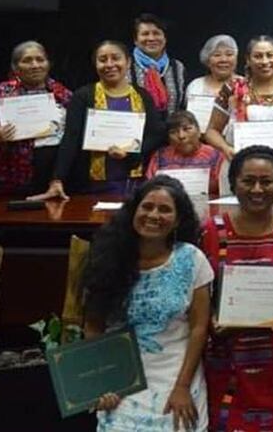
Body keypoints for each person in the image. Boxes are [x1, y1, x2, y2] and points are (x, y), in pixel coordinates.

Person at [201, 146, 273, 432]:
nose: (257, 189)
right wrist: (210, 321)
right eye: (248, 181)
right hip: (226, 363)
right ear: (233, 184)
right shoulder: (209, 232)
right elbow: (195, 297)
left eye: (266, 181)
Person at [84, 176, 211, 432]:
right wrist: (103, 381)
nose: (153, 215)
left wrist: (182, 386)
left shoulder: (191, 259)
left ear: (178, 220)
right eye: (147, 206)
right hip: (121, 383)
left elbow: (199, 328)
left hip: (177, 381)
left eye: (164, 209)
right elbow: (93, 326)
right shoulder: (107, 259)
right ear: (134, 211)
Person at [33, 40, 164, 200]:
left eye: (115, 58)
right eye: (102, 60)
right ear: (95, 64)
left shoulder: (142, 96)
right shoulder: (83, 96)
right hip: (90, 186)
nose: (109, 64)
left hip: (134, 182)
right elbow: (71, 139)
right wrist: (57, 179)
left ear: (128, 62)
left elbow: (156, 135)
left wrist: (132, 150)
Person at [0, 41, 72, 198]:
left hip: (53, 183)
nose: (35, 65)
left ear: (48, 64)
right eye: (27, 60)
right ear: (15, 67)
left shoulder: (63, 95)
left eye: (40, 60)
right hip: (5, 185)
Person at [205, 36, 273, 160]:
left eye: (270, 55)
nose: (265, 61)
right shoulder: (233, 88)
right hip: (242, 164)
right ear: (248, 60)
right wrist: (226, 148)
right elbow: (211, 131)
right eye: (258, 56)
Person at [146, 110, 226, 199]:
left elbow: (223, 186)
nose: (181, 136)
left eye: (187, 129)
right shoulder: (160, 157)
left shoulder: (215, 156)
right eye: (173, 132)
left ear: (199, 132)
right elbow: (150, 186)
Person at [129, 13, 187, 116]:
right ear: (136, 40)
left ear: (165, 38)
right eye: (145, 34)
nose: (151, 38)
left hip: (171, 126)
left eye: (156, 33)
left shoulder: (177, 67)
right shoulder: (125, 66)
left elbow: (183, 106)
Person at [185, 35, 241, 133]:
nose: (224, 59)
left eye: (229, 54)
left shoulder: (246, 85)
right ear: (207, 60)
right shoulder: (195, 86)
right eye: (217, 55)